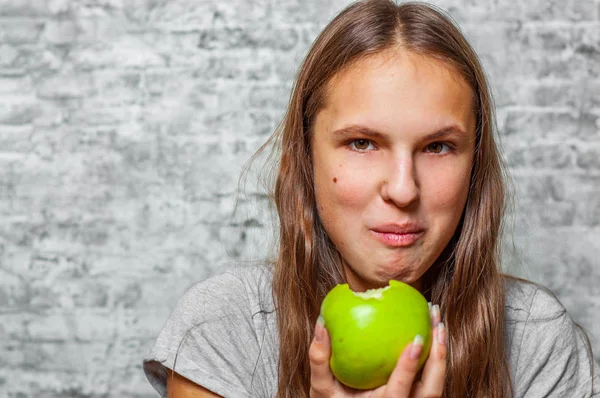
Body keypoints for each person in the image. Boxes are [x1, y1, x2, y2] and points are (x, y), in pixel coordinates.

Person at [142, 0, 600, 397]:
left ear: (474, 166)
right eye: (362, 143)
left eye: (438, 146)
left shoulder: (538, 340)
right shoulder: (226, 329)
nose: (403, 189)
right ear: (306, 158)